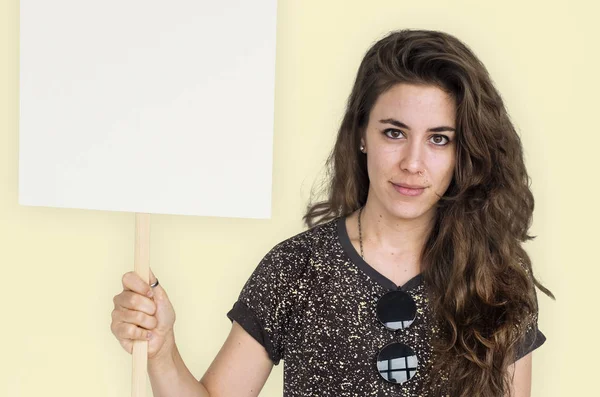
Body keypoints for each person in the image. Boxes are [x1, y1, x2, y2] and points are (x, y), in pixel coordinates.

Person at [111, 29, 554, 397]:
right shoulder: (297, 267)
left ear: (465, 150)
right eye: (395, 132)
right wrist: (161, 351)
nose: (413, 163)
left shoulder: (495, 279)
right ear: (362, 134)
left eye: (439, 138)